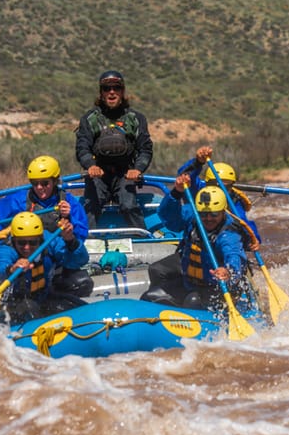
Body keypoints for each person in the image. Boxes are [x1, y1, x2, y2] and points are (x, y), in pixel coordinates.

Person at [0, 155, 93, 296]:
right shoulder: (15, 215)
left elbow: (79, 251)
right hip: (18, 264)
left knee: (82, 283)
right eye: (34, 183)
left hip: (53, 261)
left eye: (45, 183)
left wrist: (70, 234)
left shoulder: (65, 214)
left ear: (55, 181)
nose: (39, 187)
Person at [140, 175, 251, 310]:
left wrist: (228, 272)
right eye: (204, 214)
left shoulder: (228, 235)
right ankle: (166, 313)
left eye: (214, 214)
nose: (208, 218)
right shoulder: (193, 215)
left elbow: (234, 256)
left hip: (217, 286)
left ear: (223, 212)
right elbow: (167, 217)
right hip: (190, 280)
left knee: (192, 301)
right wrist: (176, 193)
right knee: (151, 291)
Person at [75, 70, 153, 231]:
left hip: (125, 174)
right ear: (101, 93)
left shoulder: (136, 119)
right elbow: (82, 147)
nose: (111, 92)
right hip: (98, 174)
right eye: (106, 88)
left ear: (122, 91)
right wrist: (90, 165)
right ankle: (85, 244)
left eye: (116, 88)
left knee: (128, 205)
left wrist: (137, 169)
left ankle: (143, 239)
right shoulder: (89, 119)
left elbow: (145, 148)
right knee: (90, 206)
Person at [0, 212, 90, 323]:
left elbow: (80, 260)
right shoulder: (5, 248)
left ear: (40, 239)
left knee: (76, 305)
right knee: (30, 308)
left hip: (44, 296)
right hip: (12, 304)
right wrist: (12, 269)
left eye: (32, 242)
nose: (27, 247)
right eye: (21, 242)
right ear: (14, 240)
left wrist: (71, 241)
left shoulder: (49, 241)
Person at [177, 145, 261, 245]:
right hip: (197, 239)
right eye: (216, 185)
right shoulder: (198, 190)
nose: (221, 190)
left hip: (220, 242)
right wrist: (197, 162)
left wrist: (253, 238)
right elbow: (184, 175)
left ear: (232, 186)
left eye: (227, 186)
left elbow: (242, 221)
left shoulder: (233, 200)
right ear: (207, 183)